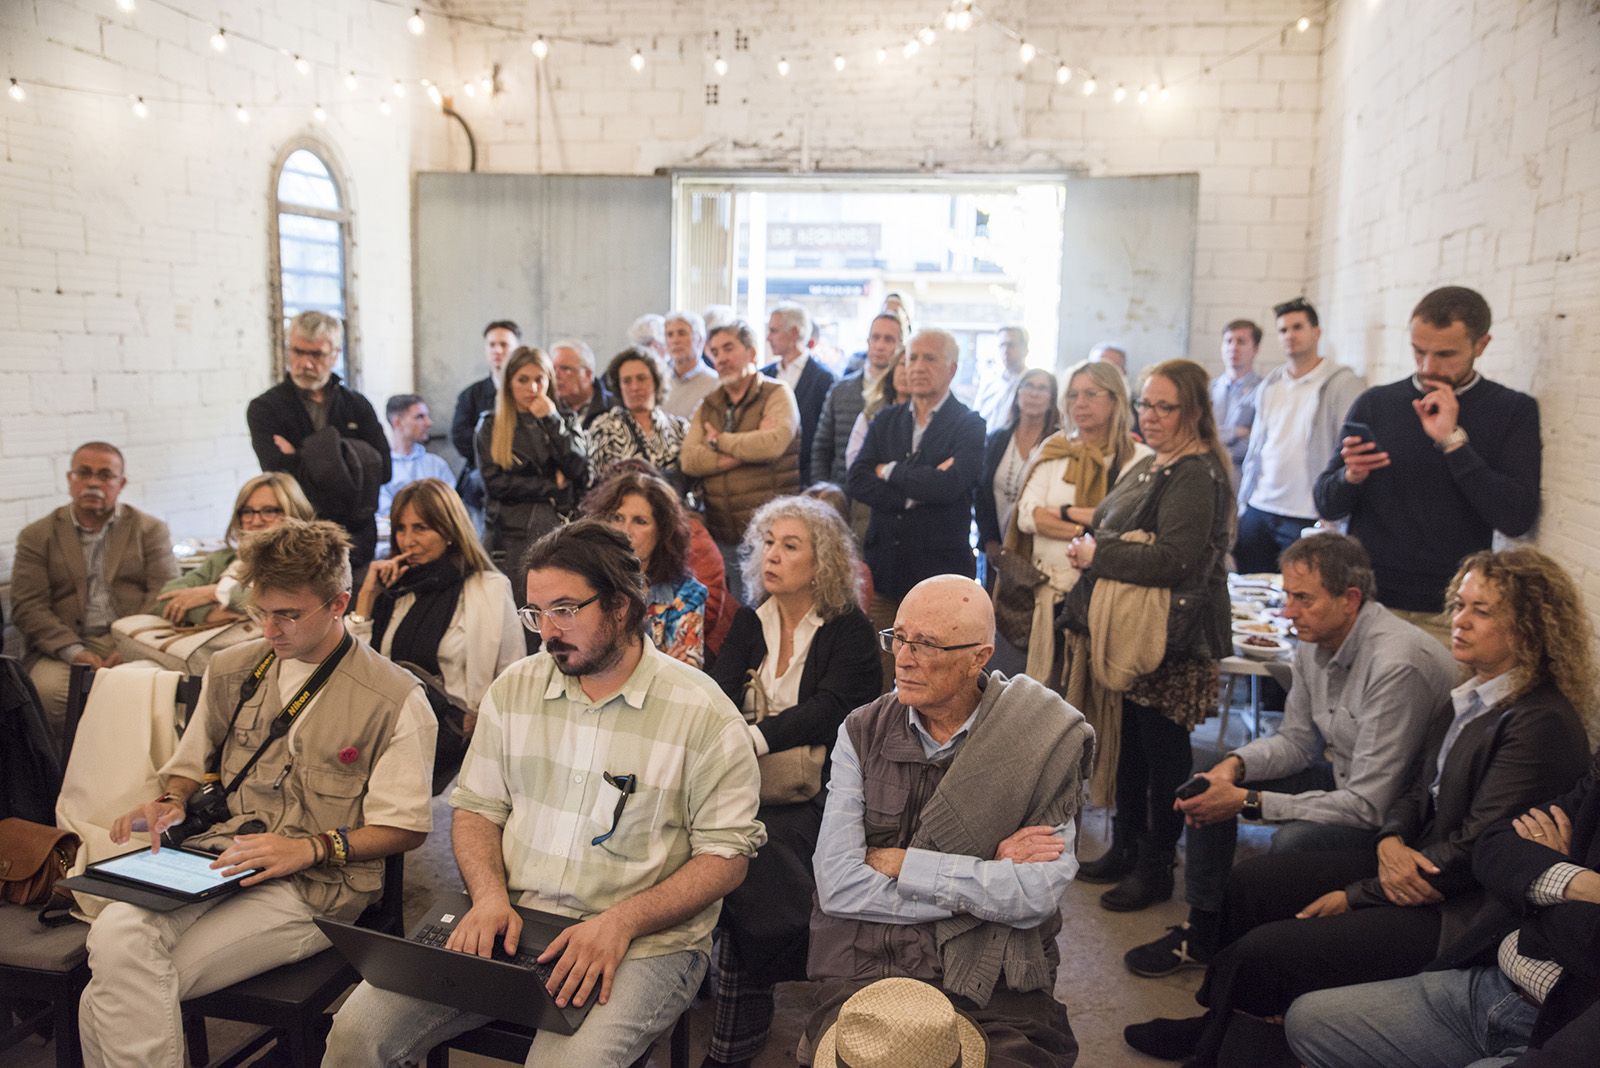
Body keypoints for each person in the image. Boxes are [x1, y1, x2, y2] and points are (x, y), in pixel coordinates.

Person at [1125, 546, 1596, 1067]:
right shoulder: (1477, 692)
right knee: (1251, 884)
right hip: (1414, 858)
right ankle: (1215, 1026)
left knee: (1269, 948)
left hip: (1458, 908)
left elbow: (1480, 848)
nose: (1458, 622)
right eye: (1459, 605)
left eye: (1480, 611)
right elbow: (1417, 790)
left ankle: (1219, 1048)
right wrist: (1392, 839)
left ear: (1530, 626)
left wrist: (1356, 894)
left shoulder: (1538, 722)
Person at [322, 520, 766, 1067]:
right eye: (535, 613)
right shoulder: (515, 689)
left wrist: (619, 922)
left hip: (644, 942)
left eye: (565, 610)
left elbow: (725, 858)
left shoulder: (703, 713)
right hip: (516, 919)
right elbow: (478, 811)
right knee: (356, 1034)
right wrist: (488, 897)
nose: (547, 631)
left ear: (622, 607)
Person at [78, 519, 436, 1067]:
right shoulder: (231, 667)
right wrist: (171, 800)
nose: (270, 630)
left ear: (339, 602)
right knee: (117, 935)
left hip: (317, 888)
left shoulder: (394, 698)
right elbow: (191, 765)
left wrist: (310, 848)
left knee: (112, 984)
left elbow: (407, 827)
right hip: (219, 855)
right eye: (260, 611)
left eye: (288, 614)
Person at [1120, 533, 1457, 969]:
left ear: (1350, 599)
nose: (1288, 612)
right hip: (1344, 780)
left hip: (1396, 815)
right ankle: (1205, 929)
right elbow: (1297, 742)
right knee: (1206, 775)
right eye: (1287, 596)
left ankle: (1268, 949)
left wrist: (1248, 801)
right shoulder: (1316, 639)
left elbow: (1369, 805)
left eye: (1303, 599)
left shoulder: (1396, 665)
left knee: (1295, 840)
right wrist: (1233, 767)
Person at [796, 575, 1090, 1068]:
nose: (903, 658)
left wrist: (907, 864)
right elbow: (838, 887)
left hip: (993, 972)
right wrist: (983, 885)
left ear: (980, 656)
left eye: (926, 644)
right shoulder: (861, 731)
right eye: (898, 637)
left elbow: (1037, 896)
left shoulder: (1043, 738)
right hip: (870, 964)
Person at [1286, 740, 1600, 1068]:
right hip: (1497, 982)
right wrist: (1575, 882)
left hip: (1565, 1025)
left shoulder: (1543, 720)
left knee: (1289, 897)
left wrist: (1537, 886)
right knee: (1308, 1019)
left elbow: (1586, 941)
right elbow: (1494, 842)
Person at [703, 496, 882, 1067]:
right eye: (767, 543)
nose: (771, 557)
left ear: (822, 560)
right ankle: (717, 985)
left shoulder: (849, 628)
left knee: (753, 856)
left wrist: (756, 738)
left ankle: (741, 1025)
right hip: (743, 776)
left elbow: (835, 708)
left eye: (790, 545)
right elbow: (719, 693)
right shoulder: (751, 618)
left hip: (826, 784)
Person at [1061, 359, 1235, 913]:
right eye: (1146, 405)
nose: (1152, 416)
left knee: (1163, 760)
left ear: (1194, 412)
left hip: (1172, 638)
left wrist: (1098, 553)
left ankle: (1157, 865)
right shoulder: (1156, 462)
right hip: (1143, 631)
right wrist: (1102, 545)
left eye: (1166, 407)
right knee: (1133, 750)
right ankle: (1126, 847)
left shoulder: (1194, 472)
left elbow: (1174, 558)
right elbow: (1117, 524)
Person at [1314, 285, 1541, 644]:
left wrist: (1452, 442)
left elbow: (1516, 518)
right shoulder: (1377, 403)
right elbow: (1327, 502)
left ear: (1481, 345)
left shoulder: (1512, 411)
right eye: (1419, 351)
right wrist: (1350, 477)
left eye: (1446, 354)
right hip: (1365, 602)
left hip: (1448, 611)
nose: (1428, 366)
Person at [848, 328, 987, 688]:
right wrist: (915, 493)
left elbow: (952, 485)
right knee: (881, 672)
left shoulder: (969, 424)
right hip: (885, 574)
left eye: (930, 358)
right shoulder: (886, 420)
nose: (918, 366)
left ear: (952, 368)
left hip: (939, 573)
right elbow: (859, 479)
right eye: (912, 358)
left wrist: (890, 470)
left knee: (936, 678)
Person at [12, 441, 178, 726]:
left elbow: (164, 592)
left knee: (144, 689)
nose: (93, 483)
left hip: (131, 636)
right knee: (49, 693)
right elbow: (28, 606)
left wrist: (130, 645)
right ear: (70, 479)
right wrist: (74, 651)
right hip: (63, 644)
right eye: (84, 473)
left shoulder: (149, 530)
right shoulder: (37, 535)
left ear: (121, 482)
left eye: (105, 475)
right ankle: (63, 770)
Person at [1005, 361, 1149, 679]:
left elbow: (1124, 525)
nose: (1079, 404)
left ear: (1115, 400)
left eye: (1090, 394)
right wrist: (1086, 529)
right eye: (1072, 395)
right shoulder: (1055, 449)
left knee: (1090, 691)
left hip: (1108, 596)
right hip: (1047, 591)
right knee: (1046, 686)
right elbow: (1027, 516)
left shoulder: (1138, 458)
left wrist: (1061, 512)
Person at [349, 478, 522, 727]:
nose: (408, 541)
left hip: (460, 743)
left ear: (449, 531)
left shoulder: (488, 589)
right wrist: (366, 599)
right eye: (401, 528)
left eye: (420, 528)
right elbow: (359, 671)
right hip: (391, 731)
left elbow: (512, 677)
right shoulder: (394, 591)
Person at [246, 310, 389, 568]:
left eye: (316, 354)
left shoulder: (357, 405)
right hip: (297, 539)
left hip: (355, 538)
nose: (305, 364)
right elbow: (281, 481)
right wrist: (348, 461)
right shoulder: (266, 408)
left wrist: (300, 457)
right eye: (298, 352)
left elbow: (384, 469)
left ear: (335, 354)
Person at [1234, 298, 1364, 575]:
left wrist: (1332, 514)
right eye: (1282, 330)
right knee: (1247, 593)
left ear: (1316, 332)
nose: (1290, 336)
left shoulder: (1341, 384)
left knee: (1298, 600)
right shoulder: (1271, 383)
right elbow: (1258, 447)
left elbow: (1348, 448)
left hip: (1307, 514)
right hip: (1260, 506)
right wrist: (1245, 501)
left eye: (1297, 327)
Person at [680, 320, 803, 595]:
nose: (721, 358)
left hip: (770, 537)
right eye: (715, 352)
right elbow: (689, 459)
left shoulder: (777, 393)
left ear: (752, 353)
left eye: (728, 348)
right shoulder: (709, 404)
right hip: (722, 533)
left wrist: (718, 441)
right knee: (734, 619)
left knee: (768, 614)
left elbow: (771, 444)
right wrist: (742, 453)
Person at [475, 346, 592, 607]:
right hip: (510, 532)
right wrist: (552, 486)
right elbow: (495, 484)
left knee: (558, 607)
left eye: (540, 379)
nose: (533, 388)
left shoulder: (564, 419)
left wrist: (551, 420)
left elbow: (580, 471)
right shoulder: (491, 425)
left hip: (558, 528)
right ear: (508, 383)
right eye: (523, 380)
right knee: (516, 610)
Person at [583, 471, 709, 668]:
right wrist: (658, 664)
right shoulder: (582, 582)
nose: (625, 531)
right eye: (617, 518)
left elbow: (685, 676)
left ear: (663, 532)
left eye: (639, 521)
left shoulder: (688, 593)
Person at [156, 472, 316, 626]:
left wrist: (215, 593)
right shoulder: (224, 559)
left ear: (293, 511)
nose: (256, 521)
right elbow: (166, 596)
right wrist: (213, 615)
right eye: (247, 512)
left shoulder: (309, 560)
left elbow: (285, 602)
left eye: (269, 511)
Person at [978, 369, 1060, 592]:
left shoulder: (1058, 444)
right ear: (1017, 394)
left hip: (1038, 550)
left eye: (1042, 388)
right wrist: (990, 541)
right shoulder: (998, 438)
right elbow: (982, 492)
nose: (1034, 393)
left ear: (1052, 399)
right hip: (997, 548)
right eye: (1028, 386)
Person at [812, 310, 907, 488]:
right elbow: (822, 448)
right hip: (841, 491)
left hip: (885, 491)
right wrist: (823, 491)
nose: (880, 345)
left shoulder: (903, 395)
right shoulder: (840, 390)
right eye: (875, 337)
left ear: (901, 346)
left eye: (888, 339)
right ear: (868, 341)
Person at [451, 320, 521, 529]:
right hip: (480, 484)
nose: (497, 350)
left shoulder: (528, 393)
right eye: (492, 345)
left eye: (504, 344)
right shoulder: (471, 395)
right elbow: (460, 437)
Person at [586, 347, 689, 482]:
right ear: (619, 386)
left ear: (656, 381)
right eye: (627, 381)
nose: (634, 387)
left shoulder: (680, 428)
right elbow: (599, 483)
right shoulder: (603, 427)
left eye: (641, 378)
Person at [763, 301, 837, 486]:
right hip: (767, 476)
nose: (768, 338)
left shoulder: (823, 379)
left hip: (804, 479)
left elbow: (825, 437)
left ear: (794, 332)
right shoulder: (764, 375)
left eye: (774, 331)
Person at [379, 393, 454, 520]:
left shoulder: (436, 465)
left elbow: (450, 506)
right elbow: (384, 511)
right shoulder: (381, 466)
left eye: (427, 416)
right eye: (420, 417)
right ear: (397, 422)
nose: (429, 423)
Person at [1209, 320, 1262, 492]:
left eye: (1241, 341)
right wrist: (1235, 432)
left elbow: (1256, 442)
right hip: (1206, 475)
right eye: (1228, 341)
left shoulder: (1264, 391)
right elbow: (1198, 434)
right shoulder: (1207, 389)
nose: (1233, 347)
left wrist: (1215, 443)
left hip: (1242, 480)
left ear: (1255, 349)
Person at [661, 309, 720, 420]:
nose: (675, 340)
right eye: (670, 335)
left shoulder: (715, 384)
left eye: (682, 333)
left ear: (700, 340)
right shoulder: (658, 381)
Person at [974, 325, 1031, 431]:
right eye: (1002, 345)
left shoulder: (1032, 385)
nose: (1005, 350)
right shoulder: (989, 382)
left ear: (1025, 349)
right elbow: (976, 415)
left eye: (1011, 345)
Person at [550, 337, 614, 428]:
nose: (556, 375)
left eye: (565, 369)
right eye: (553, 369)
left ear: (588, 374)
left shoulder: (614, 408)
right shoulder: (548, 408)